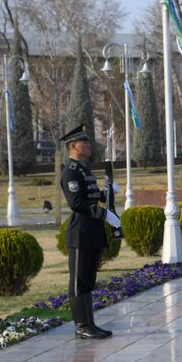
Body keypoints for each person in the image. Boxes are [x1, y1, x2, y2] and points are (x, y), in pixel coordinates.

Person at [60, 124, 115, 339]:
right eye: (85, 142)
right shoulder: (71, 171)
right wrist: (103, 214)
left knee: (88, 279)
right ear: (73, 146)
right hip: (80, 233)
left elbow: (90, 196)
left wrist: (105, 194)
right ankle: (81, 325)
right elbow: (77, 203)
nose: (89, 145)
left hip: (92, 231)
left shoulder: (83, 169)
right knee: (78, 281)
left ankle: (89, 323)